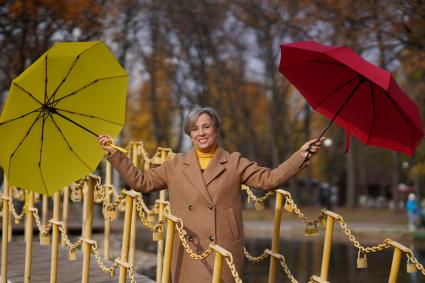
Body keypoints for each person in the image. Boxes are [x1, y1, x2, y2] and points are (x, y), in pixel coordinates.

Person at [98, 107, 323, 283]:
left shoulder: (234, 162)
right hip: (188, 248)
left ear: (216, 130)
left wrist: (300, 155)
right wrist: (116, 155)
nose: (201, 133)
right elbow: (141, 182)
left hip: (223, 246)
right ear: (189, 134)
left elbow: (270, 179)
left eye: (206, 127)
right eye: (195, 129)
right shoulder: (174, 165)